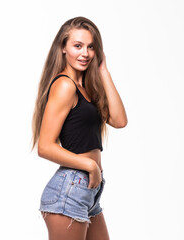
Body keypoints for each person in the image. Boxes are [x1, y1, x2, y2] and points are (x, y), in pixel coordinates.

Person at [31, 16, 127, 240]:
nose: (85, 53)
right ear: (63, 48)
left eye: (91, 47)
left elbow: (119, 121)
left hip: (88, 192)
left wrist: (103, 71)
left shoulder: (86, 88)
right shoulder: (65, 85)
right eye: (77, 46)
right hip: (70, 190)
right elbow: (45, 146)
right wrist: (89, 165)